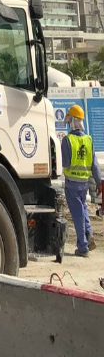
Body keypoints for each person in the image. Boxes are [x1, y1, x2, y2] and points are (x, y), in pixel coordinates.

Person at [61, 104, 102, 258]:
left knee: (77, 213)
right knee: (83, 209)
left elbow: (64, 163)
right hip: (84, 183)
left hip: (71, 184)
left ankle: (83, 247)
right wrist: (99, 183)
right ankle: (89, 232)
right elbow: (95, 165)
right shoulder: (88, 139)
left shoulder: (68, 140)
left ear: (72, 121)